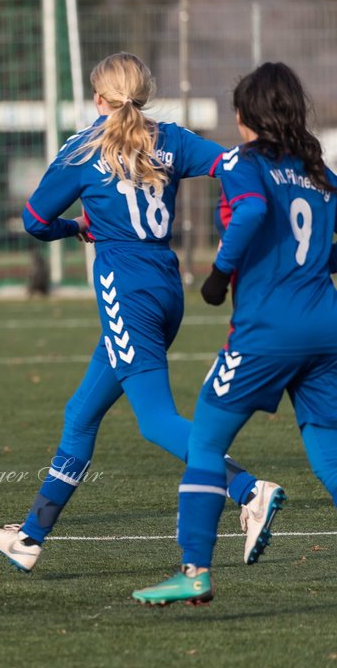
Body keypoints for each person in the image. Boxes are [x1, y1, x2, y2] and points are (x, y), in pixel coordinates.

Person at [0, 52, 281, 572]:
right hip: (166, 288)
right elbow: (229, 164)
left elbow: (33, 219)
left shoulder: (82, 149)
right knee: (81, 414)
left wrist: (75, 228)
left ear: (98, 99)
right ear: (145, 94)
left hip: (127, 292)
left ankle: (249, 490)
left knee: (156, 420)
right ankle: (29, 537)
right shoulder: (172, 138)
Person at [133, 62, 337, 605]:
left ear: (247, 115)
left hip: (268, 331)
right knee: (329, 455)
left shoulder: (247, 164)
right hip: (326, 328)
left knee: (204, 442)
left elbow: (247, 211)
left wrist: (220, 273)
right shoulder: (318, 171)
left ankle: (195, 571)